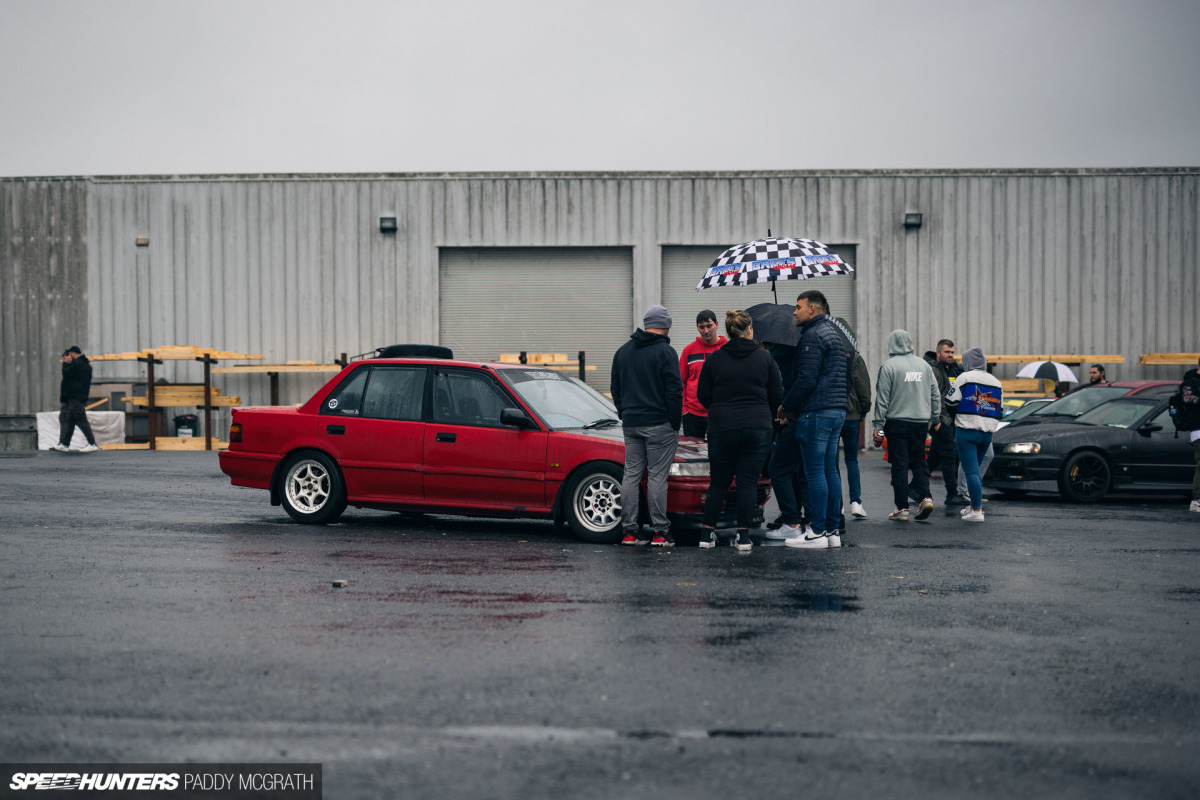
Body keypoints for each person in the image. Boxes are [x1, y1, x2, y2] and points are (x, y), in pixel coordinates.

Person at [696, 310, 782, 551]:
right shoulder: (765, 358)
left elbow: (702, 396)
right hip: (757, 428)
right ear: (750, 330)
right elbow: (777, 395)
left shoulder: (714, 359)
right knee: (747, 482)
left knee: (719, 482)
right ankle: (743, 538)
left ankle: (706, 534)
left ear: (728, 331)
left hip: (722, 427)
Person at [777, 290, 851, 549]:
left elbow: (807, 378)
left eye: (798, 307)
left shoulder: (812, 336)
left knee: (815, 471)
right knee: (829, 470)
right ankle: (831, 530)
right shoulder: (834, 334)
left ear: (812, 309)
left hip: (817, 411)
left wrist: (786, 405)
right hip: (836, 410)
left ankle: (816, 531)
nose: (794, 312)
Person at [611, 305, 683, 547]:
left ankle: (629, 532)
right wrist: (675, 422)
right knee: (657, 478)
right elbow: (674, 391)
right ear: (666, 325)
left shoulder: (623, 351)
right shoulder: (666, 352)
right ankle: (660, 532)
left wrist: (625, 413)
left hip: (631, 423)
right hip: (659, 423)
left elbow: (616, 389)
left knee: (630, 475)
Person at [872, 330, 940, 522]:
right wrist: (933, 419)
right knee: (918, 461)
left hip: (897, 423)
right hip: (920, 422)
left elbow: (882, 399)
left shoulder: (889, 366)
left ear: (891, 344)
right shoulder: (924, 366)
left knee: (900, 464)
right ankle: (925, 497)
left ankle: (901, 508)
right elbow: (935, 394)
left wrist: (878, 426)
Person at [946, 347, 1003, 522]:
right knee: (975, 472)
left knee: (970, 472)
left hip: (967, 431)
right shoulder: (996, 382)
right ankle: (973, 506)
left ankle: (977, 510)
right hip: (987, 433)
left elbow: (950, 401)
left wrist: (960, 414)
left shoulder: (964, 377)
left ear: (967, 362)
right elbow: (1000, 410)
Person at [919, 339, 965, 507]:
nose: (950, 355)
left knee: (935, 457)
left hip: (949, 420)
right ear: (938, 353)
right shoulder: (933, 369)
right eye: (947, 352)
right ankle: (951, 494)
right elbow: (931, 396)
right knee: (949, 456)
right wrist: (935, 420)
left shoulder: (951, 368)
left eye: (952, 352)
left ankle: (915, 487)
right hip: (941, 420)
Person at [679, 310, 726, 439]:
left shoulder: (727, 349)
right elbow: (680, 382)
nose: (706, 331)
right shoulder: (689, 350)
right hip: (693, 415)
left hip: (722, 413)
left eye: (709, 326)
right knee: (693, 456)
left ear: (717, 324)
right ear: (697, 328)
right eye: (702, 327)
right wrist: (684, 411)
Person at [52, 346, 99, 453]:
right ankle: (64, 443)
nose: (67, 357)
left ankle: (92, 443)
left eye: (68, 355)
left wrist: (65, 363)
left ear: (73, 353)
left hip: (74, 397)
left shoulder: (77, 364)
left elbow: (66, 373)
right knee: (68, 419)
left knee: (80, 419)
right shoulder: (84, 365)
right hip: (73, 397)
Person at [843, 349, 872, 518]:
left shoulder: (826, 351)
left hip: (830, 412)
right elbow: (863, 387)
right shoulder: (855, 357)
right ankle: (856, 503)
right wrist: (864, 410)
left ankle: (836, 504)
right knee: (851, 459)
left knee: (831, 462)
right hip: (852, 414)